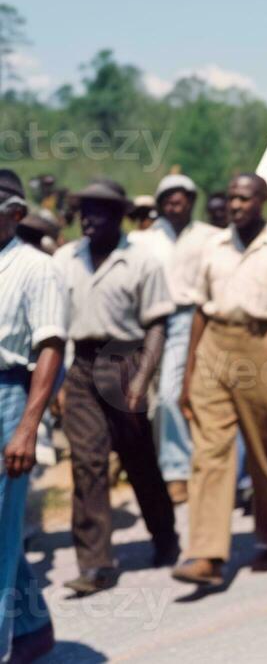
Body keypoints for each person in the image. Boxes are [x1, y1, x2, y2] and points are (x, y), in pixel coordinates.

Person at [171, 173, 267, 589]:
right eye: (231, 198)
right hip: (215, 341)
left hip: (262, 345)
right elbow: (199, 310)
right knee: (209, 450)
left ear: (263, 201)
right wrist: (189, 371)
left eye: (245, 198)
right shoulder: (213, 245)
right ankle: (205, 554)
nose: (236, 205)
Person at [54, 179, 178, 594]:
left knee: (138, 457)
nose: (89, 219)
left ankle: (165, 536)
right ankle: (95, 564)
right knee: (87, 463)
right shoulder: (65, 258)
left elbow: (157, 324)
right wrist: (58, 381)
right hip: (82, 365)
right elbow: (55, 328)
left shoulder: (141, 260)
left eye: (100, 211)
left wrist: (142, 379)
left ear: (118, 217)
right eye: (85, 210)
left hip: (124, 361)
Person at [0, 171, 65, 663]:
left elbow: (50, 349)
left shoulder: (37, 267)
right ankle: (31, 629)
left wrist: (27, 427)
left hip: (9, 398)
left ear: (16, 215)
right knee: (3, 530)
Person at [139, 174, 221, 504]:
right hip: (153, 320)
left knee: (180, 394)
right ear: (159, 205)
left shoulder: (211, 237)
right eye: (168, 198)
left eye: (181, 197)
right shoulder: (143, 240)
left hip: (198, 317)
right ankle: (167, 464)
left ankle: (179, 471)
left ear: (191, 200)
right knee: (152, 397)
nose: (175, 203)